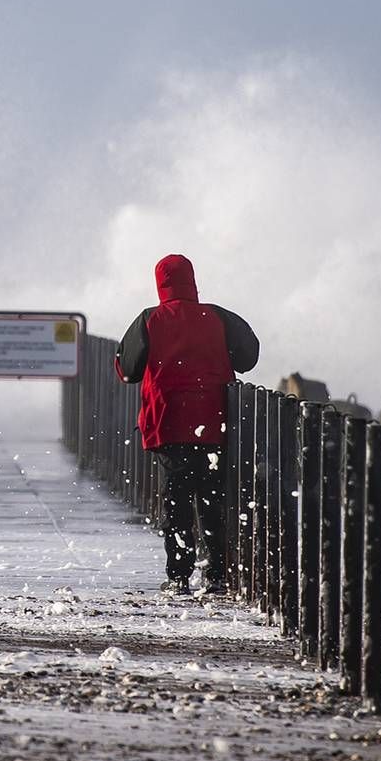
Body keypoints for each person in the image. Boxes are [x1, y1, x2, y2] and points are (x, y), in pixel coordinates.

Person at [115, 253, 259, 594]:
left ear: (159, 283)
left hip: (168, 425)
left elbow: (128, 369)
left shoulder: (150, 320)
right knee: (212, 500)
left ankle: (178, 577)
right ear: (192, 280)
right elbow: (249, 357)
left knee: (176, 503)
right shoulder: (218, 316)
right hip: (214, 424)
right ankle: (216, 577)